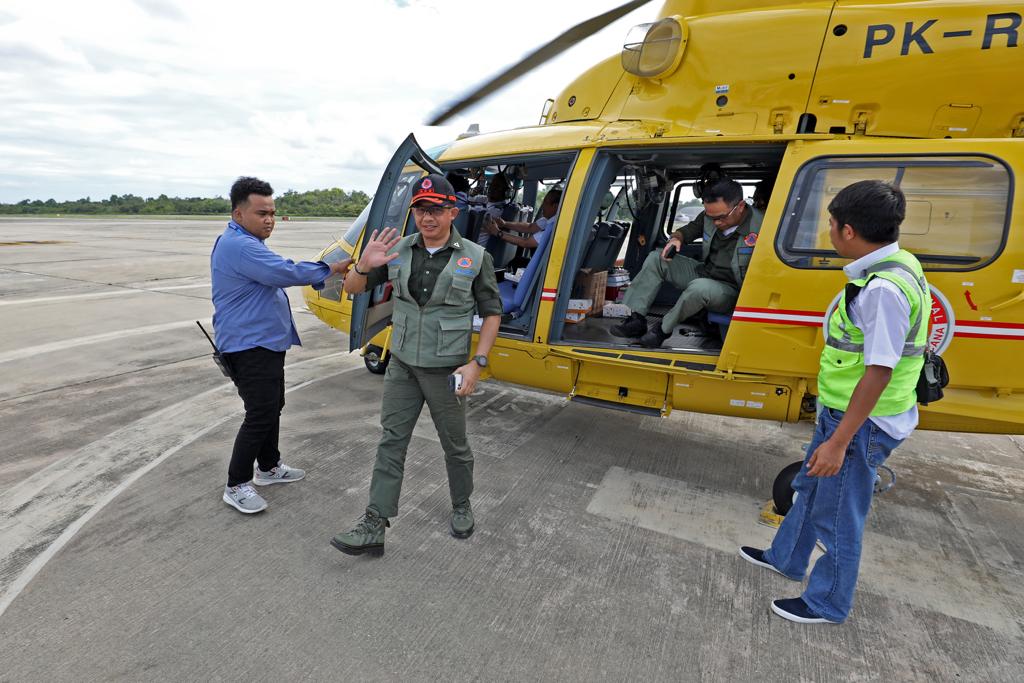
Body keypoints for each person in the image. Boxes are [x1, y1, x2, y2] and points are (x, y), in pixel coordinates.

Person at [740, 180, 929, 624]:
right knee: (809, 488)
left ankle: (828, 602)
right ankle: (786, 557)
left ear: (847, 230)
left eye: (830, 224)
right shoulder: (897, 264)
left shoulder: (883, 290)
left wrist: (840, 442)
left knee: (839, 516)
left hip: (862, 423)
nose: (828, 231)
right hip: (843, 411)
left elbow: (879, 371)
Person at [331, 174, 502, 556]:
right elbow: (353, 289)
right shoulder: (398, 250)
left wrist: (477, 363)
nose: (427, 217)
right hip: (403, 366)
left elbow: (492, 313)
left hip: (447, 370)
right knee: (391, 441)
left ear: (453, 211)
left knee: (455, 445)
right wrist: (363, 266)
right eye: (421, 209)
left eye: (436, 209)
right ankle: (374, 523)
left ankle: (462, 504)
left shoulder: (476, 257)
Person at [212, 176, 351, 514]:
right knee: (260, 413)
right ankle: (236, 484)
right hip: (248, 345)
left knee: (272, 406)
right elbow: (285, 273)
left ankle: (269, 467)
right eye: (262, 213)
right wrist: (331, 268)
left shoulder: (248, 242)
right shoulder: (240, 246)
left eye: (272, 213)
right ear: (238, 214)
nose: (270, 220)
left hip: (264, 343)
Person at [611, 178, 763, 348]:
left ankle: (661, 330)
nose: (716, 223)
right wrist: (677, 238)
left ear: (740, 206)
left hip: (731, 290)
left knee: (700, 288)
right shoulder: (710, 216)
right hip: (705, 272)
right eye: (711, 217)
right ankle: (636, 320)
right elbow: (690, 229)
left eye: (721, 217)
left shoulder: (762, 226)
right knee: (657, 258)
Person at [484, 187, 562, 250]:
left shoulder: (555, 228)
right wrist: (505, 224)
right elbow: (530, 227)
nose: (543, 206)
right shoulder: (548, 220)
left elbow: (526, 242)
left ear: (555, 207)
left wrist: (498, 232)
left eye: (545, 203)